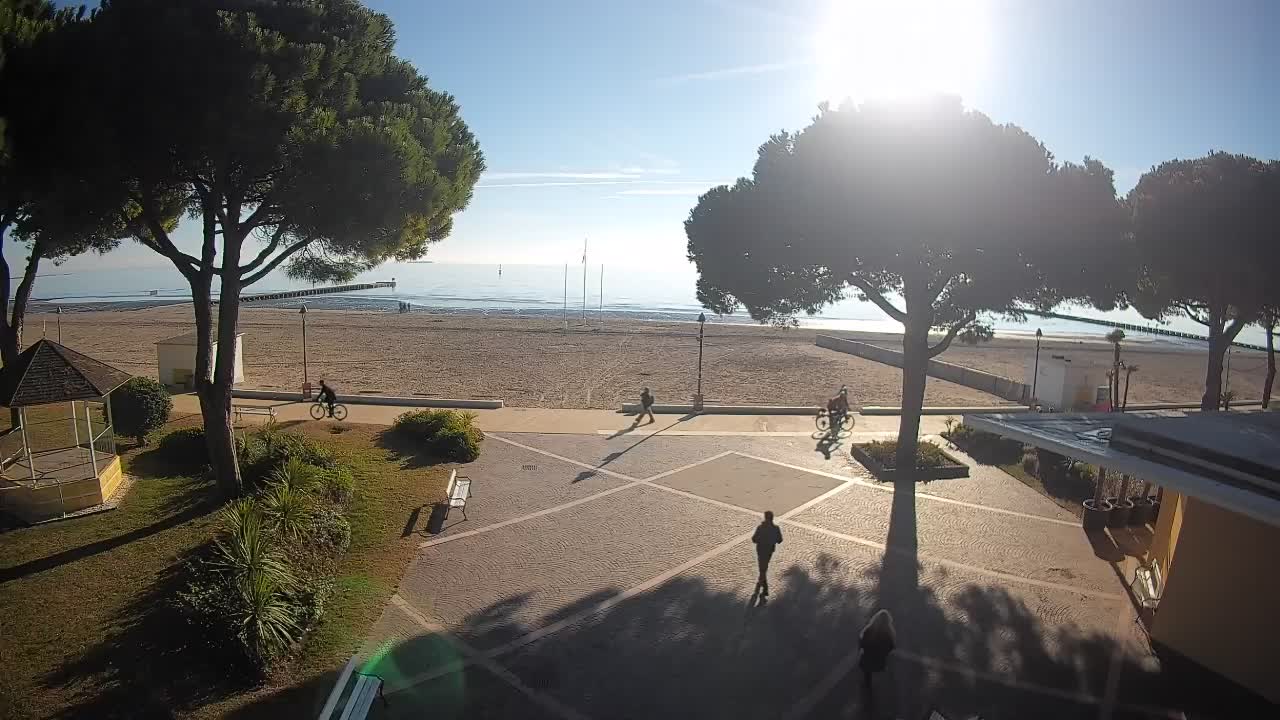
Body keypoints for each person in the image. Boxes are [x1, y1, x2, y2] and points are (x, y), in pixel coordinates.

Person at [858, 608, 897, 696]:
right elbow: (891, 647)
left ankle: (867, 686)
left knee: (867, 669)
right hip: (879, 662)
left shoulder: (868, 630)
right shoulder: (889, 634)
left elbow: (862, 643)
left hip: (866, 661)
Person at [751, 510, 783, 597]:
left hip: (761, 550)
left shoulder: (761, 528)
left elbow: (754, 539)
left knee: (762, 569)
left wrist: (760, 540)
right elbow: (780, 540)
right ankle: (761, 581)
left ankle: (765, 589)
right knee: (764, 568)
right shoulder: (776, 528)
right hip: (769, 551)